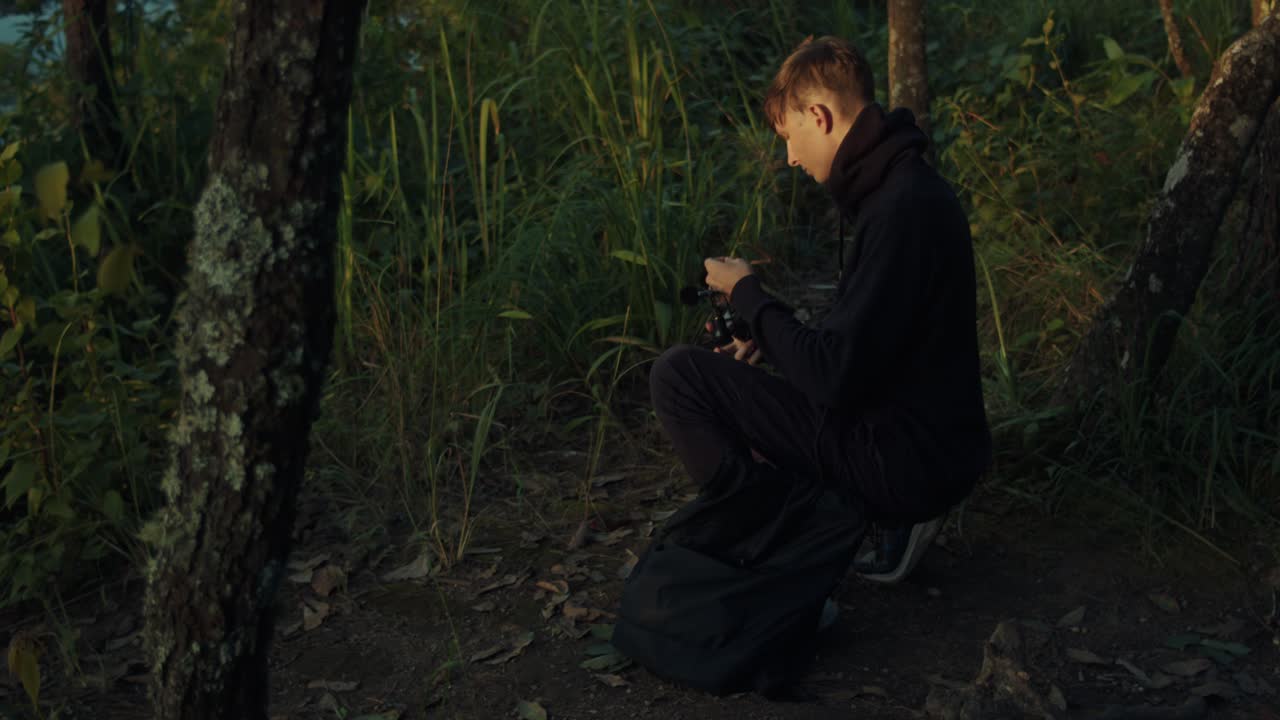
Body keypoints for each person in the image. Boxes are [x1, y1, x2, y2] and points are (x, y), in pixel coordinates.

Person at [611, 35, 991, 696]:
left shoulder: (900, 211)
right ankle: (836, 529)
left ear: (820, 116)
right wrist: (769, 339)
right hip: (922, 440)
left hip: (906, 458)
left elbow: (834, 377)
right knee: (730, 380)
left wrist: (749, 296)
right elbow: (861, 349)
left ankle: (779, 573)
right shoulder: (899, 190)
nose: (788, 157)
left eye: (788, 136)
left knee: (680, 376)